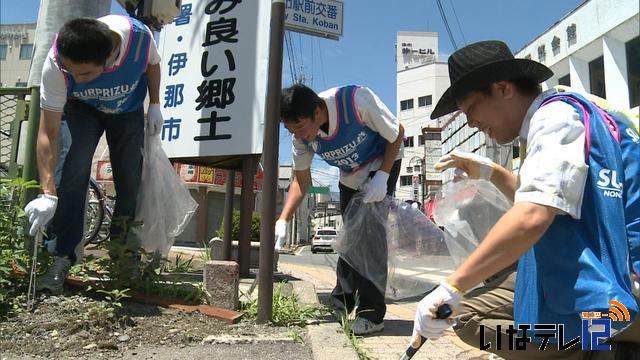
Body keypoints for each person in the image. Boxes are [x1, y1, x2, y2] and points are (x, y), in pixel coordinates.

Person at [412, 40, 639, 358]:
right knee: (464, 315)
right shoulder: (574, 112)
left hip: (617, 281)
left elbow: (533, 215)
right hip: (591, 264)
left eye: (471, 109)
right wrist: (490, 171)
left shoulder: (555, 119)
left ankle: (598, 348)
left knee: (466, 314)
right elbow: (550, 198)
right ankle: (587, 342)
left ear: (503, 88)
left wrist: (454, 286)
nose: (472, 124)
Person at [24, 15, 163, 295]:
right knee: (72, 168)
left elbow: (153, 65)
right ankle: (61, 256)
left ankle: (123, 258)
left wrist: (156, 103)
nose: (76, 78)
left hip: (128, 111)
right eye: (71, 72)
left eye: (85, 74)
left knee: (129, 180)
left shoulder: (139, 39)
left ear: (110, 56)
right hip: (82, 109)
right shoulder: (56, 64)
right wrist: (47, 191)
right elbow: (47, 133)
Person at [277, 83, 404, 335]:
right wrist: (282, 220)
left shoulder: (355, 101)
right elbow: (301, 183)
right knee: (350, 238)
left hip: (384, 161)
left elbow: (396, 132)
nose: (299, 135)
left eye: (301, 127)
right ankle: (340, 304)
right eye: (292, 130)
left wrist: (383, 175)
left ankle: (372, 314)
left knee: (371, 238)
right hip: (351, 176)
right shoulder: (301, 139)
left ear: (317, 111)